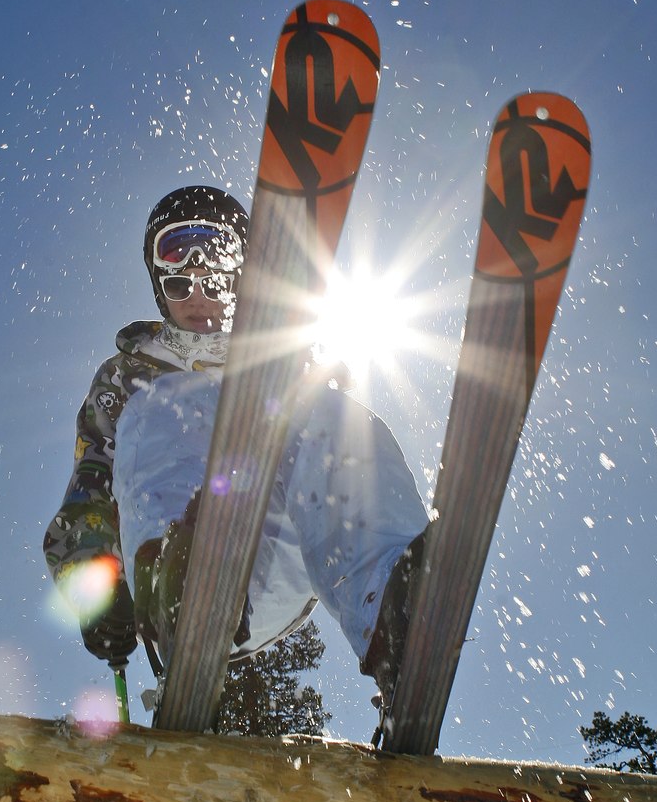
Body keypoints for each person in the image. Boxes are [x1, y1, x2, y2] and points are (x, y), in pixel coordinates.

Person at [44, 185, 428, 713]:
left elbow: (329, 465)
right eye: (180, 283)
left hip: (276, 558)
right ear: (160, 291)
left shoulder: (286, 362)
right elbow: (89, 488)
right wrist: (93, 586)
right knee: (158, 409)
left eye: (217, 278)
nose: (198, 297)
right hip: (168, 563)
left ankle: (390, 603)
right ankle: (181, 585)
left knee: (333, 416)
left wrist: (307, 385)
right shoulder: (128, 378)